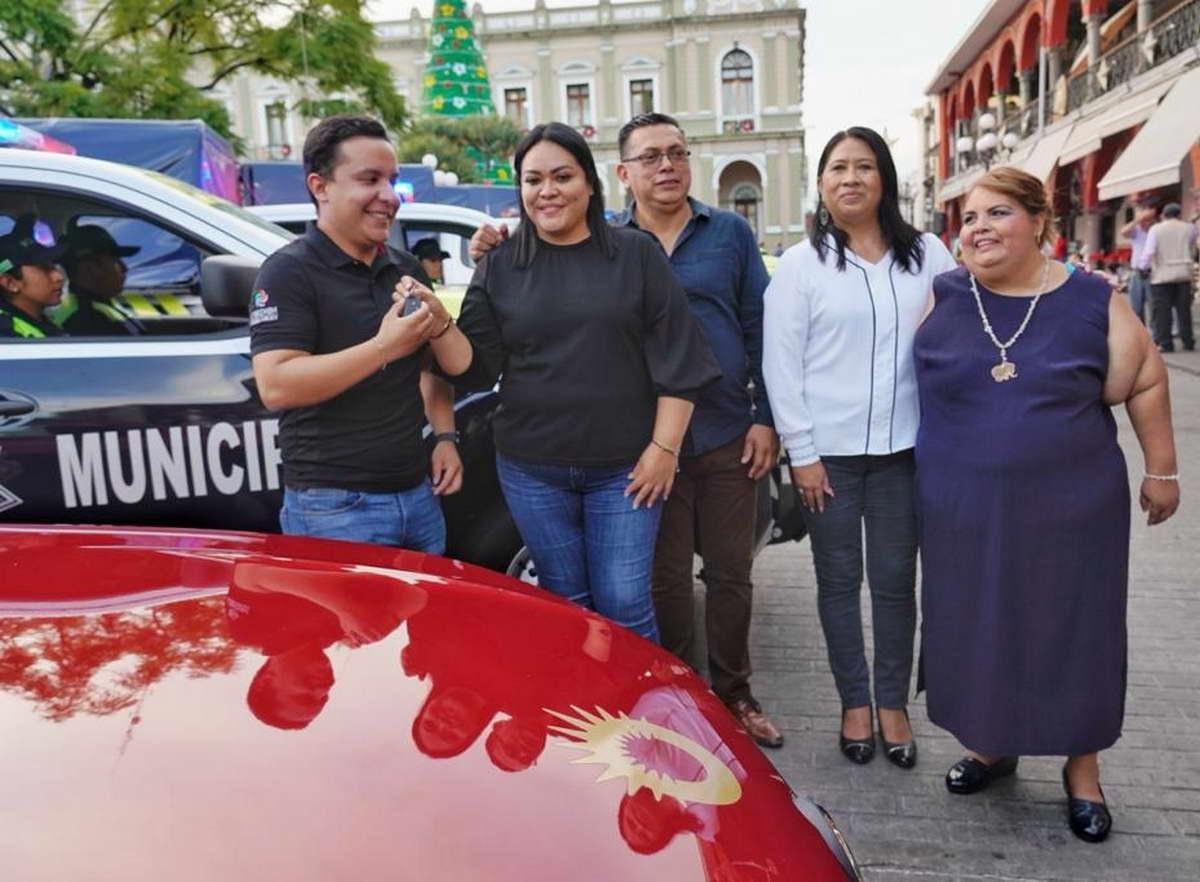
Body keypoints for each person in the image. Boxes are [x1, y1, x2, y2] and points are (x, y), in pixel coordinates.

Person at [470, 112, 784, 746]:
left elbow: (757, 328)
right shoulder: (565, 247)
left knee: (715, 579)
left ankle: (715, 703)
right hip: (606, 450)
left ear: (587, 181)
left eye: (677, 153)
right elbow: (483, 351)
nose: (667, 166)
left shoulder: (716, 235)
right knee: (638, 589)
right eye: (651, 157)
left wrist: (763, 419)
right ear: (622, 173)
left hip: (706, 433)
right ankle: (648, 707)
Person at [914, 166, 1179, 843]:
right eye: (970, 218)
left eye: (998, 213)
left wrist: (1162, 470)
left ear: (1039, 222)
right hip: (962, 511)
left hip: (1072, 510)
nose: (979, 228)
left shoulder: (1091, 297)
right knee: (981, 624)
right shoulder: (946, 294)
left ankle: (1082, 771)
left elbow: (1146, 377)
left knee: (1073, 630)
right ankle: (990, 745)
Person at [413, 121, 720, 642]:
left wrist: (664, 449)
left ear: (589, 183)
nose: (548, 191)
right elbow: (476, 367)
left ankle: (634, 699)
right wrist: (441, 326)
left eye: (562, 176)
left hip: (625, 470)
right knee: (566, 604)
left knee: (625, 603)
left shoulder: (636, 254)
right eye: (533, 180)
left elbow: (679, 359)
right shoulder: (500, 265)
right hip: (532, 470)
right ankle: (580, 699)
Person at [762, 126, 957, 769]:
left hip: (907, 453)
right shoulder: (800, 266)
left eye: (865, 166)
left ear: (885, 180)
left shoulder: (928, 255)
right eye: (838, 168)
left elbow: (965, 325)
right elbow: (781, 366)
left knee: (897, 582)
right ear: (820, 184)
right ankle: (853, 701)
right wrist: (802, 454)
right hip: (829, 459)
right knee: (839, 581)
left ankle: (892, 704)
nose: (851, 178)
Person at [249, 114, 462, 552]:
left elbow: (430, 367)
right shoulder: (287, 272)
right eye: (370, 180)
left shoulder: (404, 267)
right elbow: (276, 384)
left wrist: (444, 436)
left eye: (392, 181)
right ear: (320, 186)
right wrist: (383, 347)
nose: (389, 196)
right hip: (334, 508)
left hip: (419, 495)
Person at [58, 223, 145, 335]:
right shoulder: (87, 321)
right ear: (90, 268)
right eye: (115, 261)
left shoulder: (100, 305)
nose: (124, 268)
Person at [1138, 202, 1197, 352]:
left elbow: (1149, 251)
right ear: (1179, 215)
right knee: (1184, 310)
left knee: (1162, 312)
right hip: (1183, 274)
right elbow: (1191, 243)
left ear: (1163, 215)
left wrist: (1142, 267)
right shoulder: (1189, 228)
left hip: (1162, 276)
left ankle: (1166, 343)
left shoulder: (1156, 229)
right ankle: (1188, 341)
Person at [0, 214, 68, 338]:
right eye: (45, 269)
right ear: (10, 283)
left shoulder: (41, 321)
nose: (59, 277)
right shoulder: (7, 334)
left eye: (53, 266)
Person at [1119, 201, 1157, 323]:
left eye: (1147, 220)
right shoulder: (1136, 231)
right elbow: (1123, 231)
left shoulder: (1156, 231)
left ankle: (1154, 333)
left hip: (1153, 273)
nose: (1144, 223)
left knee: (1154, 308)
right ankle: (1140, 331)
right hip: (1136, 273)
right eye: (1143, 220)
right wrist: (1137, 220)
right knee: (1136, 308)